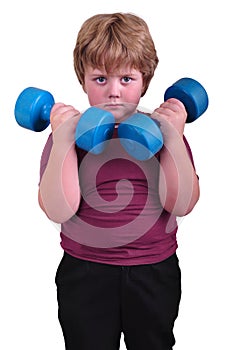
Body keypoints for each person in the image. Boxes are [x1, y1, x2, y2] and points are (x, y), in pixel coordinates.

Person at [38, 12, 200, 350]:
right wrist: (64, 141)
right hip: (85, 272)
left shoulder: (164, 132)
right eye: (100, 79)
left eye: (126, 79)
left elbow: (182, 203)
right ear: (83, 80)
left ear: (145, 81)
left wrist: (173, 139)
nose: (114, 92)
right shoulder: (67, 136)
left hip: (154, 270)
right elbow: (58, 209)